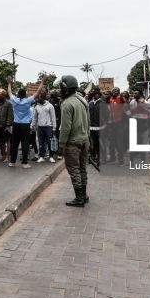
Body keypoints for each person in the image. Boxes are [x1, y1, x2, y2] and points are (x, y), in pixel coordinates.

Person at [58, 75, 90, 207]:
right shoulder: (83, 100)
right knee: (82, 168)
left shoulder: (67, 104)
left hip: (73, 143)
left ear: (65, 88)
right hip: (84, 140)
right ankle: (84, 195)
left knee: (74, 170)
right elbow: (88, 122)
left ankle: (79, 198)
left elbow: (65, 127)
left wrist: (61, 144)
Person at [6, 75, 45, 168]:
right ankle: (24, 163)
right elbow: (38, 91)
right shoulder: (28, 101)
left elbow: (9, 92)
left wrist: (9, 83)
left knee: (14, 143)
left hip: (16, 124)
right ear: (25, 94)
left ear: (18, 94)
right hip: (25, 125)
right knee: (25, 143)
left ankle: (12, 162)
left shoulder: (14, 100)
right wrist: (42, 81)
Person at [31, 90, 57, 163]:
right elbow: (35, 118)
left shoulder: (50, 106)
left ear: (42, 98)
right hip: (40, 127)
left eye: (38, 98)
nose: (36, 99)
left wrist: (54, 128)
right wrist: (32, 125)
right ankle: (41, 156)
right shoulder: (37, 107)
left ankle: (51, 156)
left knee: (49, 142)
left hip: (48, 127)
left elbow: (53, 117)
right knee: (40, 142)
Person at [0, 90, 13, 162]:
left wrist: (8, 125)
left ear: (4, 95)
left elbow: (10, 115)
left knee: (8, 141)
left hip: (6, 125)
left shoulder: (9, 103)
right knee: (1, 141)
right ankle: (3, 155)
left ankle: (8, 157)